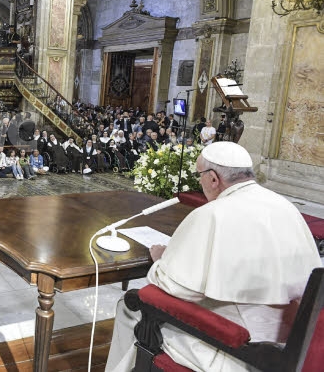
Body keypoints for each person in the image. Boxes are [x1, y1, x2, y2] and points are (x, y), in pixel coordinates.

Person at [105, 142, 322, 372]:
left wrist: (161, 261)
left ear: (213, 178)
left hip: (238, 351)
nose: (200, 182)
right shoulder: (285, 207)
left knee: (131, 305)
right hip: (287, 345)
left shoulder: (213, 214)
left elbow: (173, 287)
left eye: (200, 176)